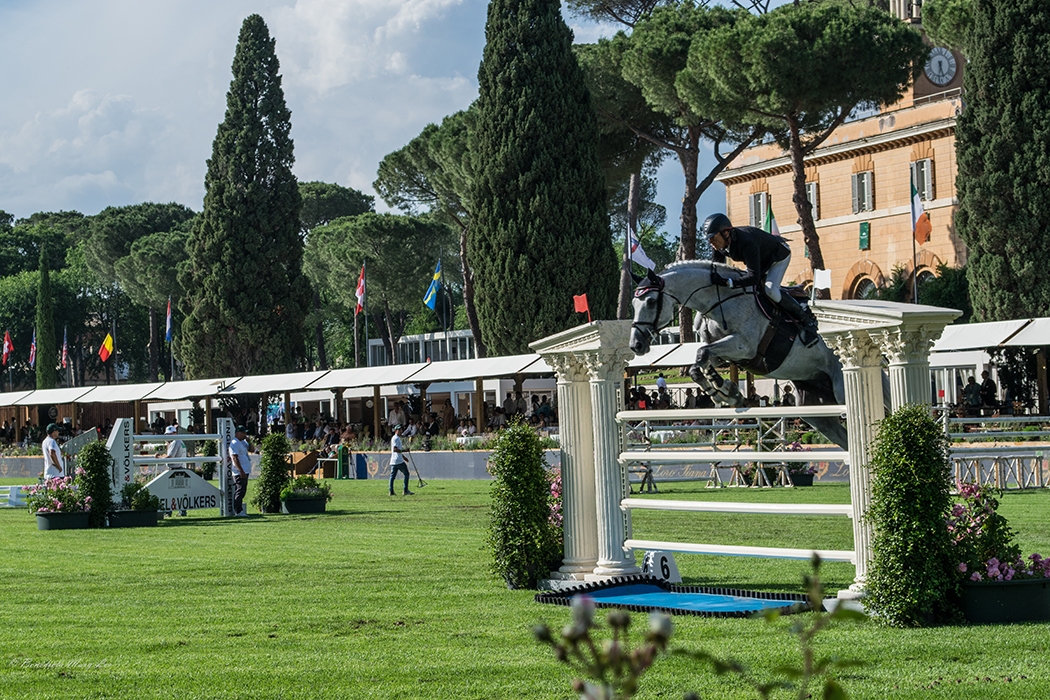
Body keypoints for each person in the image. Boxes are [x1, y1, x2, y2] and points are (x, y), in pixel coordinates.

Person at [703, 213, 819, 347]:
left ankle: (806, 318)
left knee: (770, 290)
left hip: (778, 257)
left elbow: (753, 277)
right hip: (762, 260)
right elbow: (716, 269)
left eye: (712, 237)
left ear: (726, 233)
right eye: (709, 238)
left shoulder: (746, 241)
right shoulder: (719, 246)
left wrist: (728, 282)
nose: (710, 242)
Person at [228, 425, 254, 516]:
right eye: (243, 433)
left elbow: (252, 449)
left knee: (243, 490)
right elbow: (235, 458)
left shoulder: (242, 442)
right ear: (237, 433)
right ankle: (238, 511)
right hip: (239, 471)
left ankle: (239, 510)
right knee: (239, 491)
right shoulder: (234, 443)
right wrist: (241, 471)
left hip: (245, 470)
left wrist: (249, 441)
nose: (245, 434)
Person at [164, 425, 188, 516]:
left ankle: (168, 512)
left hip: (175, 470)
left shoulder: (175, 442)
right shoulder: (180, 441)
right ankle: (182, 511)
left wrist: (158, 457)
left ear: (175, 433)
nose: (168, 436)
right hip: (180, 468)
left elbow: (169, 457)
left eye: (170, 434)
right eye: (167, 434)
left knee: (169, 492)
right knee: (180, 492)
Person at [389, 424, 413, 496]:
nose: (400, 431)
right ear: (395, 430)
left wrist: (403, 456)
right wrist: (405, 450)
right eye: (399, 430)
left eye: (401, 430)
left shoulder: (395, 438)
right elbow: (395, 449)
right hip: (398, 460)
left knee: (392, 477)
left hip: (394, 460)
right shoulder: (396, 438)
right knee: (406, 473)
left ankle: (391, 491)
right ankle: (405, 490)